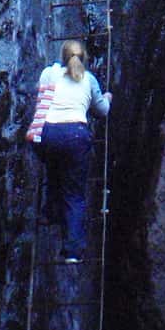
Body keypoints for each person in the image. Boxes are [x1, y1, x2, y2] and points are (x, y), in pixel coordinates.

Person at [26, 40, 112, 263]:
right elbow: (102, 111)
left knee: (55, 169)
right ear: (84, 58)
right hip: (74, 136)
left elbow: (41, 96)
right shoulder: (89, 79)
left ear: (62, 57)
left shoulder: (48, 73)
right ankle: (72, 251)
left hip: (45, 135)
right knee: (73, 194)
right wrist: (108, 98)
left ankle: (50, 212)